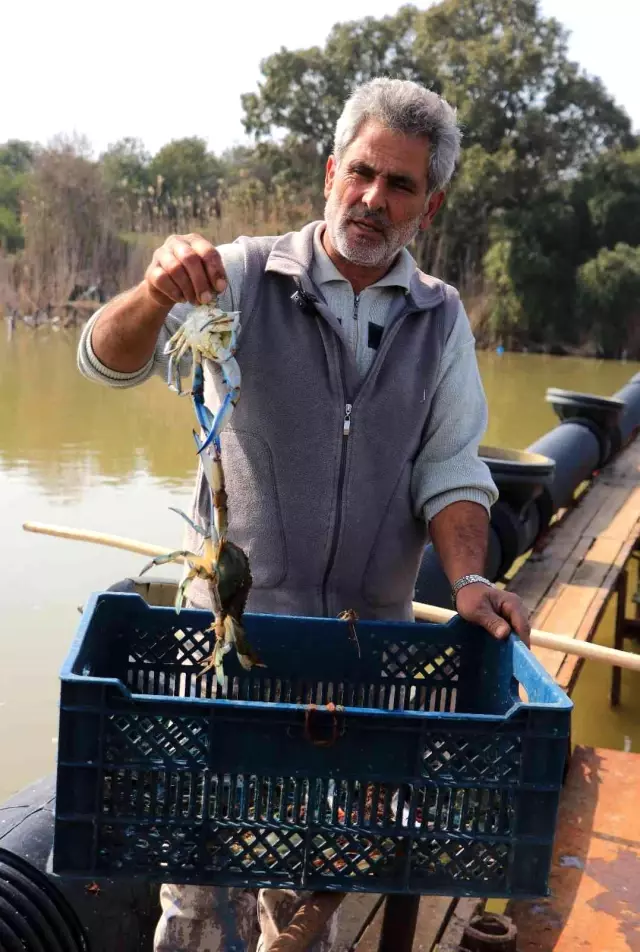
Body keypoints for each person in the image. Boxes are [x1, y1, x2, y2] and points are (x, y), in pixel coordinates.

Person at [78, 77, 530, 952]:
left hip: (358, 667)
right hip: (226, 651)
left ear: (427, 206)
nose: (373, 198)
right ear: (331, 171)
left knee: (310, 894)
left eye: (400, 185)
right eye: (362, 172)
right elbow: (108, 360)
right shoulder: (242, 276)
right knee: (199, 899)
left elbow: (452, 468)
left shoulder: (439, 322)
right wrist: (158, 291)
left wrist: (472, 577)